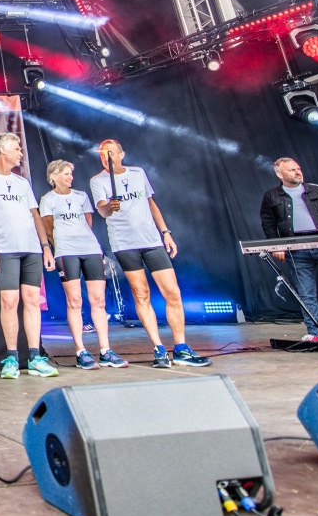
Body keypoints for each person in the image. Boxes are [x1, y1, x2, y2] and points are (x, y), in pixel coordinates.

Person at [89, 139, 211, 369]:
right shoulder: (98, 181)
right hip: (125, 244)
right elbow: (102, 210)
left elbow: (150, 203)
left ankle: (182, 347)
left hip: (152, 241)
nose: (107, 157)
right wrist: (109, 207)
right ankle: (158, 348)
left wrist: (165, 232)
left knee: (172, 292)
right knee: (141, 293)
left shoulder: (138, 173)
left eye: (111, 153)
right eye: (103, 154)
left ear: (121, 154)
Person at [0, 132, 57, 380]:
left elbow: (35, 215)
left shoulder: (22, 182)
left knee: (32, 300)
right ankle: (11, 357)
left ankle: (34, 357)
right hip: (5, 248)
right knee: (9, 302)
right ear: (2, 151)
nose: (20, 152)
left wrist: (45, 246)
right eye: (16, 148)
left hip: (31, 248)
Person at [39, 160, 128, 370]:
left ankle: (106, 350)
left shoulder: (81, 196)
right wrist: (58, 246)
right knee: (75, 300)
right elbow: (48, 229)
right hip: (66, 252)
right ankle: (81, 351)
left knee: (98, 300)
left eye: (71, 174)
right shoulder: (47, 199)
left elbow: (88, 222)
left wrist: (83, 241)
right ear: (54, 176)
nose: (70, 177)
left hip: (90, 249)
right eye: (66, 174)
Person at [260, 157, 318, 342]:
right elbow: (268, 224)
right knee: (306, 294)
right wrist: (276, 246)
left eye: (298, 168)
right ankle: (315, 334)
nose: (298, 172)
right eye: (292, 170)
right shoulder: (271, 196)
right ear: (280, 174)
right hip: (297, 251)